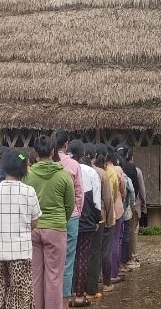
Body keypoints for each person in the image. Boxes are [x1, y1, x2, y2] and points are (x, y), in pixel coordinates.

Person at [0, 149, 42, 309]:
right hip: (21, 252)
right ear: (24, 168)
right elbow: (35, 222)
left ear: (4, 167)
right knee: (20, 297)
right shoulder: (29, 192)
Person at [25, 134, 76, 309]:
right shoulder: (63, 175)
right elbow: (70, 205)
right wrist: (62, 220)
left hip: (33, 228)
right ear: (53, 151)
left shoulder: (28, 176)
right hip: (56, 228)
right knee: (54, 276)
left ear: (35, 153)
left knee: (35, 275)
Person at [71, 139, 103, 308]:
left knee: (69, 257)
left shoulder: (65, 169)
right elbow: (96, 201)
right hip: (86, 220)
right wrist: (97, 220)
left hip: (68, 219)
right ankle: (80, 294)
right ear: (84, 154)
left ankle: (67, 292)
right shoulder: (90, 172)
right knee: (83, 257)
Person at [54, 131, 85, 302]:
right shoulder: (73, 165)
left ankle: (49, 298)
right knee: (68, 258)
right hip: (71, 217)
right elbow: (79, 193)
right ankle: (64, 297)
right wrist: (77, 212)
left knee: (50, 259)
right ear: (66, 145)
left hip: (48, 217)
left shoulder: (45, 163)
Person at [85, 144, 114, 301]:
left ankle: (79, 286)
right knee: (96, 253)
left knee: (82, 252)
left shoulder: (78, 170)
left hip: (82, 217)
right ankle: (93, 287)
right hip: (99, 217)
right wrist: (109, 218)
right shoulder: (101, 173)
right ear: (94, 155)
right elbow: (108, 198)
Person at [105, 147, 127, 285]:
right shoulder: (117, 170)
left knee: (103, 244)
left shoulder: (97, 170)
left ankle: (103, 273)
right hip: (116, 208)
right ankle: (114, 272)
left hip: (101, 210)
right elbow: (122, 189)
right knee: (115, 241)